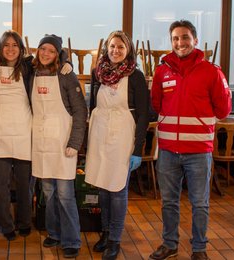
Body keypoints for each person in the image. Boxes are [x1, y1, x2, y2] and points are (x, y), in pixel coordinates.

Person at [149, 20, 232, 260]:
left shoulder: (211, 71)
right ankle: (169, 244)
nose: (180, 42)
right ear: (171, 41)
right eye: (175, 38)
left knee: (200, 204)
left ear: (195, 40)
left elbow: (224, 109)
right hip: (167, 150)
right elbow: (156, 103)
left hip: (198, 151)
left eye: (185, 37)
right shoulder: (162, 70)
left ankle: (199, 249)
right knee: (169, 202)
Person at [0, 30, 73, 241]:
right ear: (0, 48)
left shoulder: (28, 67)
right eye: (6, 45)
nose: (10, 49)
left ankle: (25, 222)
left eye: (15, 45)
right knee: (0, 187)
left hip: (25, 134)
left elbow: (51, 55)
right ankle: (5, 225)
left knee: (26, 185)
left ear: (21, 49)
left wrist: (65, 59)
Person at [84, 30, 149, 260]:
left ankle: (115, 239)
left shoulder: (136, 76)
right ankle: (105, 231)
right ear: (107, 49)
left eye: (121, 47)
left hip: (123, 136)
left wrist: (138, 149)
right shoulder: (98, 73)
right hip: (100, 134)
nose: (116, 51)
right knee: (102, 188)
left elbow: (143, 115)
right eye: (112, 46)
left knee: (118, 190)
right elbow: (93, 106)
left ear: (128, 50)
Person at [30, 34, 87, 258]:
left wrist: (75, 142)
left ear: (58, 54)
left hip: (63, 144)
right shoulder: (31, 71)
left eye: (51, 51)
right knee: (48, 192)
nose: (45, 53)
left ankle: (71, 239)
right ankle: (53, 232)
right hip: (41, 143)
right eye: (43, 49)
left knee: (65, 194)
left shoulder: (66, 75)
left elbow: (81, 111)